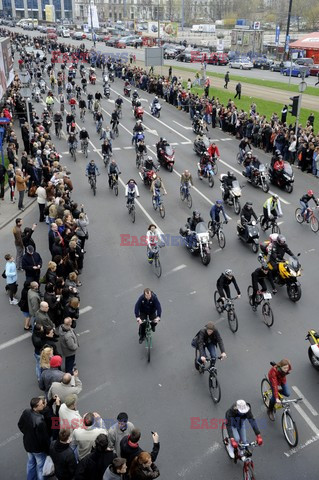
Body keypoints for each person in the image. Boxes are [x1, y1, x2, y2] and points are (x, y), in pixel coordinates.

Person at [17, 397, 50, 480]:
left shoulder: (26, 412)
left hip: (28, 445)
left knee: (31, 463)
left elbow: (20, 424)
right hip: (38, 449)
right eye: (41, 404)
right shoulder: (40, 420)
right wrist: (48, 451)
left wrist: (27, 433)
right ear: (36, 407)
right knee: (40, 467)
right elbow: (44, 439)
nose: (43, 404)